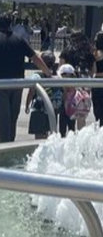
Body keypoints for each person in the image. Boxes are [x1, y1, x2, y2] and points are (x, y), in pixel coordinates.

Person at [0, 14, 52, 142]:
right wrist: (48, 73)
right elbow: (35, 58)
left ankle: (4, 148)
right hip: (17, 84)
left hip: (2, 84)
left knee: (3, 119)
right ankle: (10, 143)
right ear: (10, 24)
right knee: (13, 118)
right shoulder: (19, 39)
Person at [24, 50, 59, 139]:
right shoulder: (57, 77)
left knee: (39, 135)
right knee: (50, 134)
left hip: (38, 109)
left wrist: (27, 105)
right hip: (52, 109)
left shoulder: (37, 76)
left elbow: (31, 92)